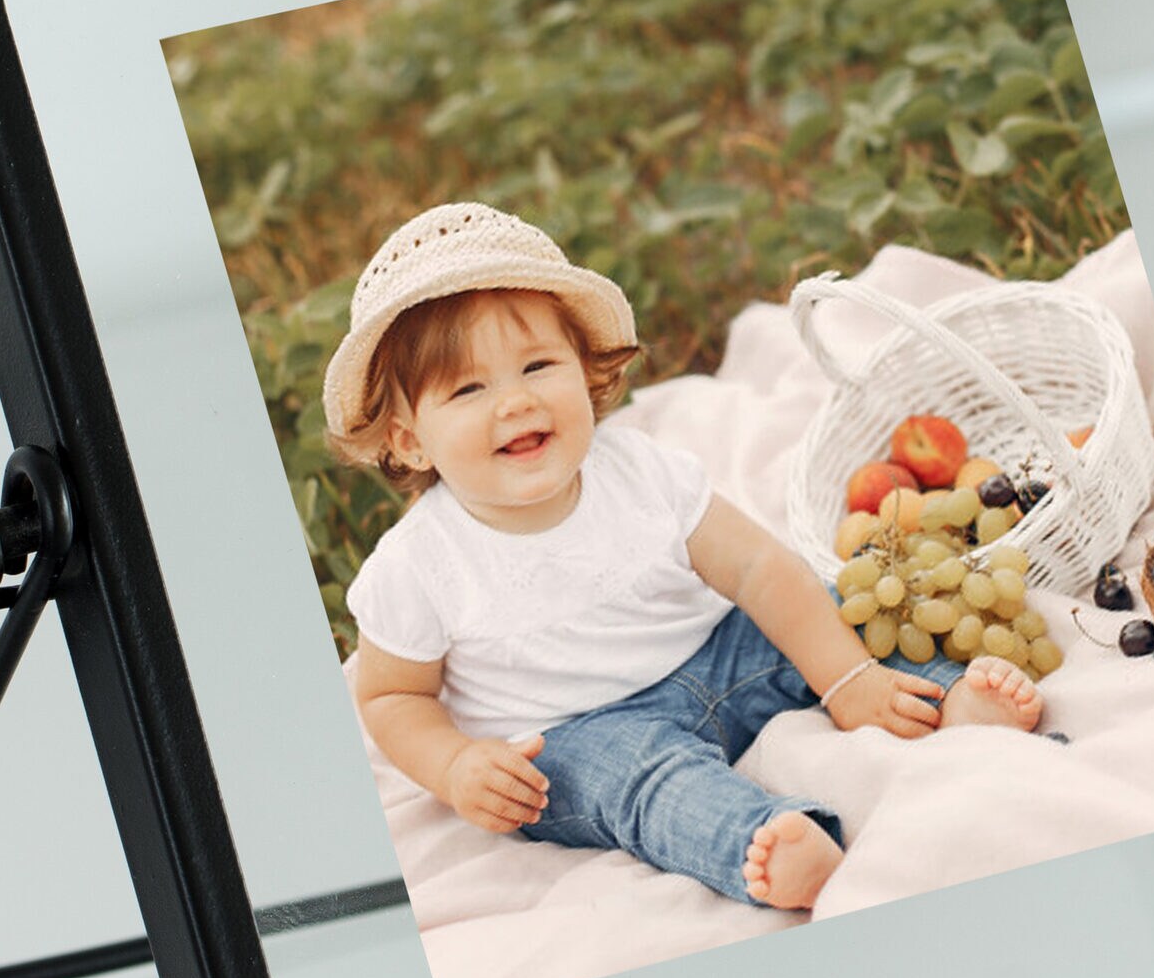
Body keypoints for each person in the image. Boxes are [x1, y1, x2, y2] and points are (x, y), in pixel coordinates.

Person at [324, 202, 1042, 912]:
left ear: (585, 371)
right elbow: (393, 697)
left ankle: (948, 695)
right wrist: (454, 765)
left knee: (820, 610)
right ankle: (758, 838)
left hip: (716, 657)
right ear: (409, 441)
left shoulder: (640, 471)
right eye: (469, 388)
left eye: (538, 366)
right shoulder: (417, 566)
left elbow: (757, 568)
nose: (514, 402)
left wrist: (846, 679)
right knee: (642, 783)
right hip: (578, 735)